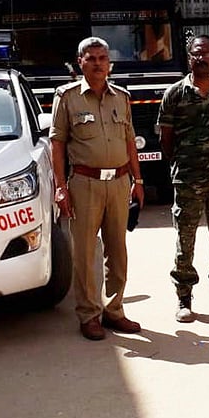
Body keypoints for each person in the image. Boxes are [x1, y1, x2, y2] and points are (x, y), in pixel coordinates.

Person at [49, 37, 145, 340]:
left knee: (118, 251)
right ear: (81, 62)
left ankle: (114, 311)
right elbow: (57, 143)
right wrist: (61, 187)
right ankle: (89, 314)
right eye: (91, 58)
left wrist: (137, 180)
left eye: (103, 58)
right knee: (85, 253)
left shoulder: (121, 97)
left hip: (118, 183)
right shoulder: (66, 97)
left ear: (110, 63)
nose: (98, 63)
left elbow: (130, 141)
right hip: (85, 184)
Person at [157, 35, 209, 322]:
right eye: (196, 53)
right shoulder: (175, 94)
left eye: (207, 53)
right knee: (185, 239)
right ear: (189, 57)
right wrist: (182, 164)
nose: (201, 58)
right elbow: (165, 139)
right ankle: (184, 298)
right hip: (187, 180)